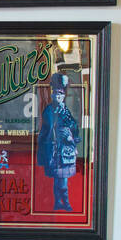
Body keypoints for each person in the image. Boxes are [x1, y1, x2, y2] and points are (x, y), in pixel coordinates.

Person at [37, 72, 78, 212]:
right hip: (54, 149)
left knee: (64, 180)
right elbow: (47, 129)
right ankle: (57, 203)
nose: (58, 97)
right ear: (53, 95)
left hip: (66, 149)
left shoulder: (66, 110)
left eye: (61, 95)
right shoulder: (49, 110)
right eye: (56, 94)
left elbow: (74, 125)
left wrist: (70, 136)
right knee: (57, 179)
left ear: (63, 96)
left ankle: (65, 202)